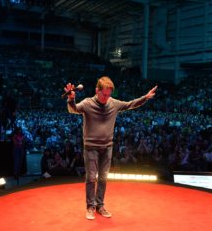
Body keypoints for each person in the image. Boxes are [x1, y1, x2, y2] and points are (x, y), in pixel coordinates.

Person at [65, 76, 157, 220]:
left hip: (107, 147)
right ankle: (90, 207)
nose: (107, 98)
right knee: (91, 177)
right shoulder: (88, 103)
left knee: (102, 178)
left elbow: (130, 104)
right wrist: (71, 99)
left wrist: (145, 97)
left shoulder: (113, 103)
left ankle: (100, 205)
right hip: (91, 147)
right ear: (97, 90)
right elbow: (73, 110)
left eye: (109, 95)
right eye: (104, 94)